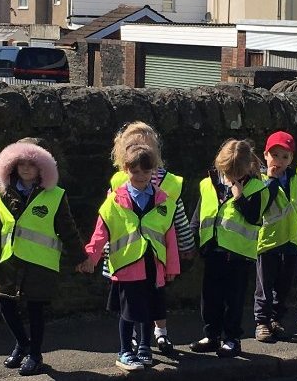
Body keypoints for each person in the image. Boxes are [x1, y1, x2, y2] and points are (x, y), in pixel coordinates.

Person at [0, 139, 87, 376]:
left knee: (36, 309)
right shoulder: (4, 195)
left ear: (43, 167)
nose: (26, 168)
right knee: (5, 304)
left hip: (41, 263)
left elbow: (67, 229)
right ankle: (23, 343)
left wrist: (80, 256)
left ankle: (35, 354)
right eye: (21, 164)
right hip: (8, 261)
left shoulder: (55, 195)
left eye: (32, 164)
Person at [78, 144, 180, 372]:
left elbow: (169, 237)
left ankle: (144, 347)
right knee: (129, 312)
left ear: (153, 171)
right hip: (126, 266)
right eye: (136, 171)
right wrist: (90, 258)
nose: (141, 176)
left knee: (149, 309)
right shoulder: (114, 201)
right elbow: (100, 233)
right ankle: (125, 351)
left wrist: (171, 266)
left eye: (146, 171)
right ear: (126, 170)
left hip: (153, 266)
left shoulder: (164, 200)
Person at [100, 121, 196, 354]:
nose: (141, 152)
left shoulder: (170, 182)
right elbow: (109, 219)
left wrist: (186, 244)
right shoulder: (119, 181)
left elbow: (177, 216)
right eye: (134, 145)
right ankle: (132, 338)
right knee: (129, 301)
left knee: (156, 297)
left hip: (156, 254)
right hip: (126, 255)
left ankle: (160, 334)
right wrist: (104, 252)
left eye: (147, 146)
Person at [191, 139, 270, 357]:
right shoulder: (208, 183)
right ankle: (212, 335)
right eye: (227, 171)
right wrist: (193, 240)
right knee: (210, 298)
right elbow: (199, 214)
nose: (230, 176)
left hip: (238, 255)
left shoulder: (257, 187)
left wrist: (239, 197)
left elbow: (255, 218)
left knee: (233, 300)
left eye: (236, 172)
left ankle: (232, 338)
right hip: (213, 251)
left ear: (247, 168)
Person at [253, 131, 297, 343]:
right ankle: (261, 322)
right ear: (265, 155)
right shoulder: (260, 180)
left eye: (285, 157)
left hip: (292, 238)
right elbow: (262, 204)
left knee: (284, 284)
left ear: (292, 159)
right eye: (275, 155)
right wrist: (272, 180)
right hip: (268, 239)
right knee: (265, 284)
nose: (279, 161)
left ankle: (275, 318)